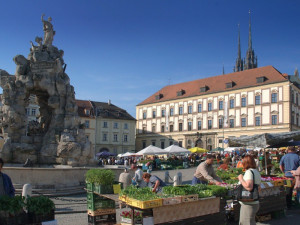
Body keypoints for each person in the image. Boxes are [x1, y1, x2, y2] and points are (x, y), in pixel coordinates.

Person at [237, 155, 261, 225]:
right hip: (254, 202)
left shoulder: (249, 172)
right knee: (250, 222)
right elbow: (259, 187)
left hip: (248, 203)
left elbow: (249, 186)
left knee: (246, 222)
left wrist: (241, 178)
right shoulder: (256, 171)